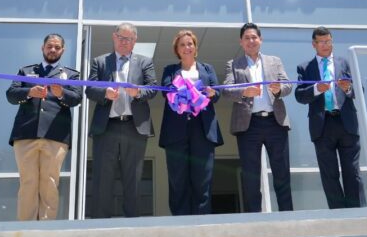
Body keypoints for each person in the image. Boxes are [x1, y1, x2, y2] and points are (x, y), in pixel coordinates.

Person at [6, 33, 82, 221]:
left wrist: (61, 93)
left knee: (49, 184)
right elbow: (11, 94)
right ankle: (26, 229)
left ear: (63, 50)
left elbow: (76, 99)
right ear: (42, 48)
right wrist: (29, 92)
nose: (53, 50)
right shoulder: (26, 71)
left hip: (55, 136)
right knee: (28, 183)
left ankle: (46, 230)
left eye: (57, 47)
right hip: (26, 134)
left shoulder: (71, 74)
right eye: (49, 46)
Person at [85, 22, 158, 218]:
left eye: (129, 39)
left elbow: (153, 88)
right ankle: (100, 224)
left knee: (133, 178)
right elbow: (89, 89)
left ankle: (132, 224)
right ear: (114, 37)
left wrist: (138, 92)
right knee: (103, 178)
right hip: (106, 127)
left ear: (135, 41)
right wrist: (105, 93)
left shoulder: (145, 62)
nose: (124, 42)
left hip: (134, 127)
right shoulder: (100, 61)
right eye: (121, 38)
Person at [223, 22, 293, 212]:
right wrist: (244, 92)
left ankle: (288, 217)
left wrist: (279, 89)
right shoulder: (233, 64)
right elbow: (227, 90)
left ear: (260, 39)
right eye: (246, 38)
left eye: (254, 37)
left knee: (282, 173)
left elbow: (288, 85)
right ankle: (254, 217)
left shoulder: (274, 61)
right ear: (241, 42)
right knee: (251, 176)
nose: (251, 41)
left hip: (275, 122)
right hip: (248, 125)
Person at [295, 26, 364, 209]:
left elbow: (360, 91)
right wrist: (316, 89)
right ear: (314, 44)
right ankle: (339, 214)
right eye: (321, 42)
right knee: (329, 174)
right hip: (322, 125)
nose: (326, 45)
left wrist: (348, 89)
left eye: (328, 41)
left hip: (346, 122)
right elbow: (300, 96)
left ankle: (358, 213)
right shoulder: (305, 67)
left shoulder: (345, 63)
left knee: (352, 171)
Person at [159, 30, 224, 215]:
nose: (186, 47)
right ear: (177, 50)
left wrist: (212, 93)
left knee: (203, 179)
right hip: (176, 131)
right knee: (177, 179)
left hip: (203, 128)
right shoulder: (170, 70)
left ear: (195, 48)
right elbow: (165, 92)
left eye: (190, 44)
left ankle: (202, 222)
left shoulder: (208, 69)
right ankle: (180, 223)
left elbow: (217, 94)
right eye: (182, 44)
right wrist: (182, 91)